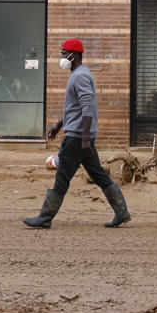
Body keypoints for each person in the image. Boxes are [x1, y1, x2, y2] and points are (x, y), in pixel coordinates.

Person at [25, 37, 131, 229]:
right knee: (98, 174)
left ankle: (45, 218)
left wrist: (84, 139)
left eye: (64, 54)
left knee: (62, 177)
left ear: (74, 55)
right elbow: (75, 109)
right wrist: (58, 125)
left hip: (77, 138)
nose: (62, 58)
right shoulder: (79, 74)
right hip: (80, 136)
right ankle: (121, 212)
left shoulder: (80, 76)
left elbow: (88, 108)